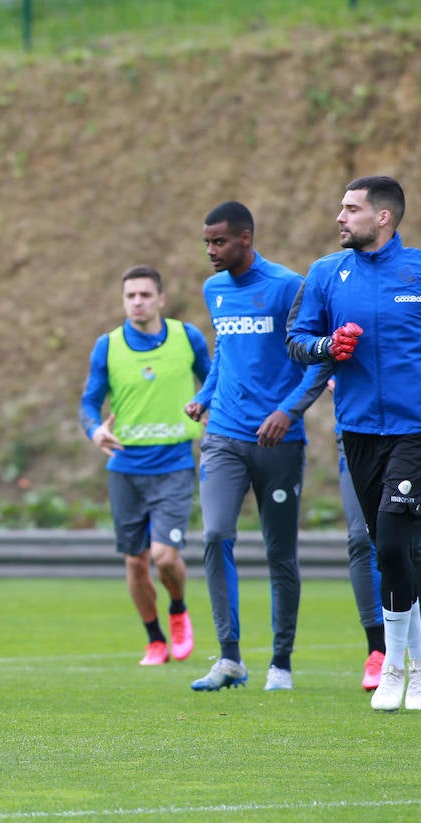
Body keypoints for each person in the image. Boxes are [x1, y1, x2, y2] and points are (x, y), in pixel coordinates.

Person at [286, 175, 421, 712]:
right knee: (382, 546)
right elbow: (297, 341)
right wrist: (328, 344)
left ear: (383, 218)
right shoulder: (326, 273)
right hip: (358, 430)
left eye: (350, 209)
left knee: (395, 540)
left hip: (420, 425)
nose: (339, 218)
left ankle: (400, 665)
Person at [184, 202, 326, 692]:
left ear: (245, 238)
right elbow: (225, 349)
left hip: (279, 441)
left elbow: (315, 357)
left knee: (279, 553)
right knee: (214, 534)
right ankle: (229, 659)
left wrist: (287, 410)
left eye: (218, 242)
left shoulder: (287, 286)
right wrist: (205, 396)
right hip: (223, 434)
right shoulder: (214, 290)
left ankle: (280, 663)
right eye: (206, 242)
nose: (210, 251)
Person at [79, 264, 209, 666]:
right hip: (125, 467)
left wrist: (207, 407)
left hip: (173, 463)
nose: (137, 302)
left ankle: (178, 608)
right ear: (123, 302)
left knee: (164, 557)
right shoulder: (108, 346)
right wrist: (95, 430)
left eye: (145, 295)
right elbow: (88, 402)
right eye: (130, 296)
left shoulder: (188, 338)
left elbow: (215, 380)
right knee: (136, 562)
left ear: (161, 300)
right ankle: (155, 640)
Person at [287, 370, 421, 692]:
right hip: (357, 428)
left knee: (407, 540)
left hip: (410, 426)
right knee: (362, 538)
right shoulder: (335, 318)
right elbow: (302, 335)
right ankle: (377, 649)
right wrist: (323, 365)